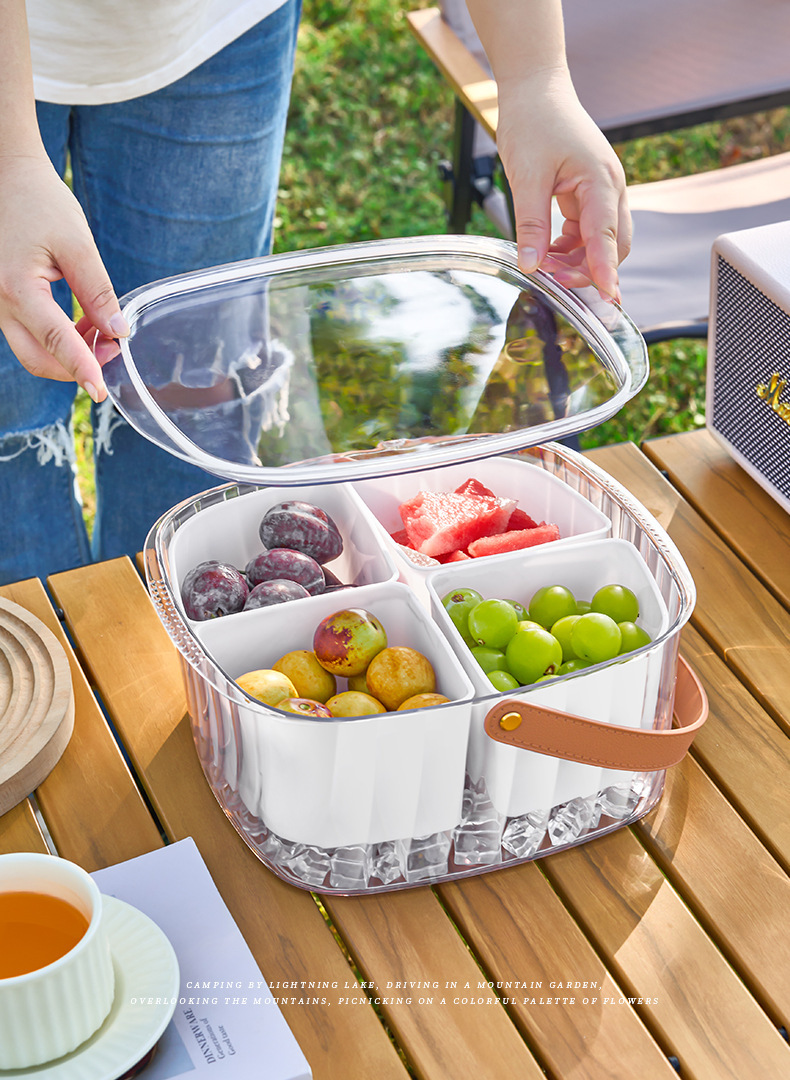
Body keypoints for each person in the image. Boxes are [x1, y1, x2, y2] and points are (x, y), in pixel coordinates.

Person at [0, 0, 630, 586]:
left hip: (210, 29)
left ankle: (150, 627)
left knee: (194, 386)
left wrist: (536, 81)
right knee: (11, 411)